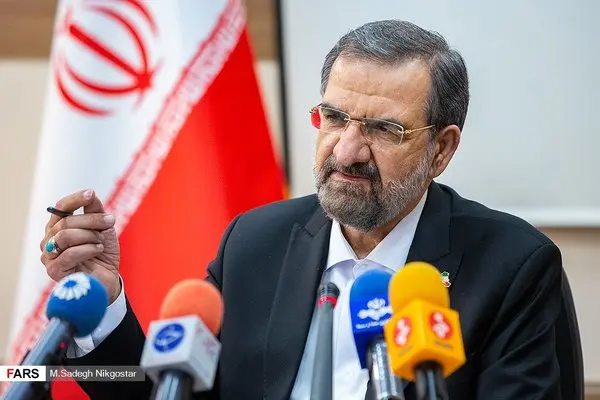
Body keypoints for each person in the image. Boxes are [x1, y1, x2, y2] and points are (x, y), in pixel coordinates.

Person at [40, 20, 563, 399]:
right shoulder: (254, 243)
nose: (347, 151)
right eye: (334, 117)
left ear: (441, 150)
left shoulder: (512, 267)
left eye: (384, 129)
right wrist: (103, 302)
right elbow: (167, 394)